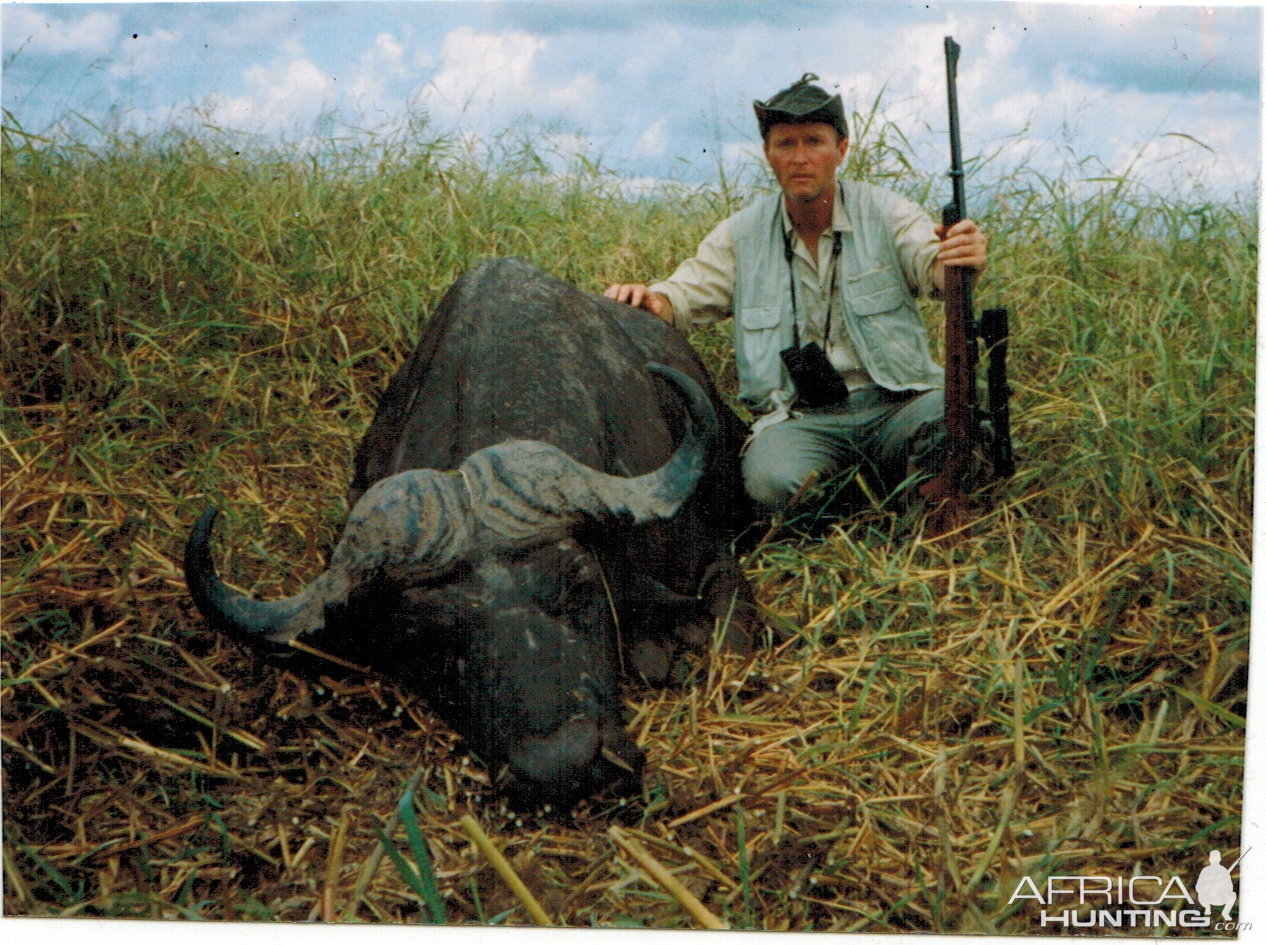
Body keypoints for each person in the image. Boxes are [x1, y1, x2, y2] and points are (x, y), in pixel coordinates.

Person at [606, 74, 988, 513]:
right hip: (801, 419)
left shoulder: (888, 212)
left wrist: (961, 258)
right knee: (771, 485)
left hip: (897, 406)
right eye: (786, 144)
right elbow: (681, 295)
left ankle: (902, 496)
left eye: (815, 142)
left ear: (841, 150)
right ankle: (872, 498)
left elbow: (936, 270)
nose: (801, 158)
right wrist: (649, 300)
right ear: (768, 155)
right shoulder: (740, 235)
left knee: (955, 421)